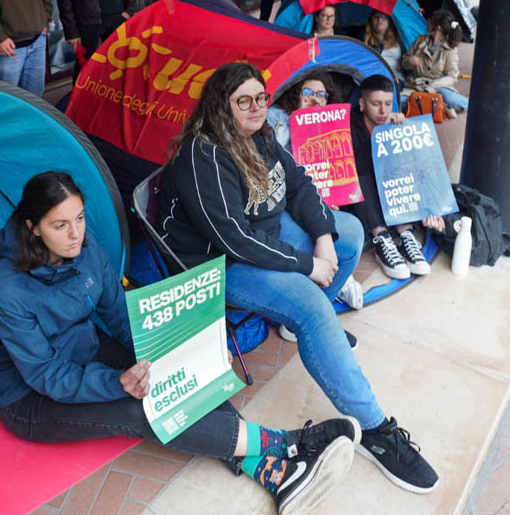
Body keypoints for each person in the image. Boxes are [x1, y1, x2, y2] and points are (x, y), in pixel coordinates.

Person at [0, 171, 359, 515]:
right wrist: (117, 384)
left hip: (87, 350)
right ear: (32, 228)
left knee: (177, 375)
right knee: (140, 409)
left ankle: (278, 475)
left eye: (79, 217)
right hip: (30, 397)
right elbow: (46, 375)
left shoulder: (86, 249)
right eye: (59, 225)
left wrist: (182, 351)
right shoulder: (6, 290)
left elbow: (120, 316)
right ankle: (288, 443)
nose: (75, 233)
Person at [159, 62, 440, 493]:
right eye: (243, 101)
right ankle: (377, 432)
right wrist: (307, 265)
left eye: (261, 97)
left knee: (349, 232)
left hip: (261, 232)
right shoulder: (206, 156)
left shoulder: (261, 135)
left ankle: (305, 326)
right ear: (221, 105)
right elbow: (235, 240)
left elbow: (300, 183)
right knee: (310, 307)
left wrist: (323, 239)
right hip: (220, 263)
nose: (256, 108)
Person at [265, 72, 365, 312]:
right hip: (282, 199)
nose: (316, 100)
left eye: (322, 95)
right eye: (308, 93)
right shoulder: (274, 120)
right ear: (295, 95)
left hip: (314, 198)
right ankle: (320, 291)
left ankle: (335, 279)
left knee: (339, 227)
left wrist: (330, 196)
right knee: (312, 230)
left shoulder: (329, 124)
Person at [345, 74, 447, 280]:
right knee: (360, 175)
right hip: (364, 192)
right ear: (362, 104)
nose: (384, 111)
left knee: (404, 165)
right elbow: (355, 165)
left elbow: (418, 164)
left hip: (390, 191)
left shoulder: (396, 122)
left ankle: (406, 233)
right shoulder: (349, 125)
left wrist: (396, 134)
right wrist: (380, 135)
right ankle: (382, 239)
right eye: (376, 104)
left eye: (388, 103)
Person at [401, 10, 467, 118]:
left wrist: (432, 87)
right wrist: (410, 60)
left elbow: (452, 75)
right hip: (414, 87)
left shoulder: (450, 49)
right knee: (400, 103)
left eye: (430, 20)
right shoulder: (420, 40)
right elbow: (404, 63)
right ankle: (440, 107)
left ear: (438, 27)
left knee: (451, 98)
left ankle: (441, 105)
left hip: (437, 87)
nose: (427, 21)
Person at [363, 10, 404, 87]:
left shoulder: (399, 38)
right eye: (376, 17)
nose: (379, 20)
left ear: (389, 20)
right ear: (371, 20)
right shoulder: (365, 40)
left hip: (396, 78)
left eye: (384, 17)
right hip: (375, 78)